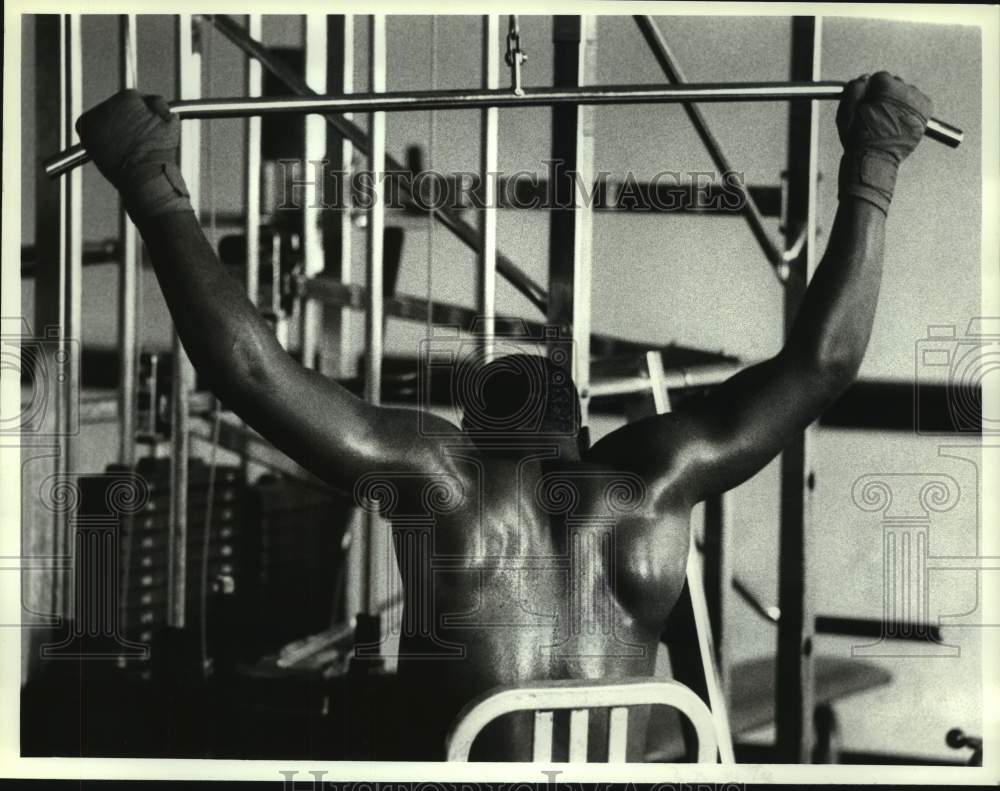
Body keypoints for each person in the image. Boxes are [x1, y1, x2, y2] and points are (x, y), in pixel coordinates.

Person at [75, 72, 932, 761]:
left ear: (476, 434)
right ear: (582, 434)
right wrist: (875, 164)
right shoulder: (651, 482)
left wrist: (151, 181)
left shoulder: (445, 482)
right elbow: (824, 363)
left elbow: (252, 370)